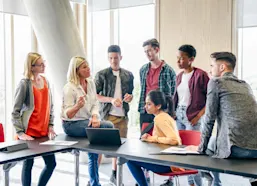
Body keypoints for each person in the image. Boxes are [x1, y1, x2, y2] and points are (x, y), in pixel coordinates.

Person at [187, 52, 257, 186]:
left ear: (222, 67)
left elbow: (209, 119)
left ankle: (210, 180)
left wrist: (199, 149)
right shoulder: (244, 84)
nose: (210, 70)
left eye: (212, 65)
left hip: (236, 149)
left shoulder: (216, 82)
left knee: (206, 145)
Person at [61, 56, 113, 186]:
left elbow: (95, 103)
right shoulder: (69, 88)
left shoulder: (90, 83)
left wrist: (95, 116)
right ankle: (108, 151)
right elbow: (67, 114)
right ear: (76, 70)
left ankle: (95, 183)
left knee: (94, 151)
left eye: (88, 65)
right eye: (84, 67)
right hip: (71, 124)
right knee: (108, 126)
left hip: (87, 121)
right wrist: (77, 106)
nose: (88, 69)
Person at [12, 52, 56, 186]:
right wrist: (20, 133)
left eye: (44, 62)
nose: (44, 66)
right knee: (28, 164)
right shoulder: (24, 84)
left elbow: (50, 106)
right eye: (40, 64)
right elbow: (15, 111)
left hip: (43, 133)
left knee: (51, 164)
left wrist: (51, 125)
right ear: (32, 67)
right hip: (29, 133)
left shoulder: (46, 81)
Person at [128, 90, 186, 186]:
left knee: (130, 160)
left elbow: (174, 140)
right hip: (171, 161)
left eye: (149, 104)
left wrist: (152, 138)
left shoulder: (160, 118)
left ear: (158, 106)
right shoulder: (165, 116)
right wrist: (151, 138)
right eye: (146, 104)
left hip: (168, 163)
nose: (145, 107)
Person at [138, 39, 176, 185]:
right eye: (145, 51)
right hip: (145, 110)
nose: (147, 54)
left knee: (165, 142)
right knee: (145, 141)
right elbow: (143, 90)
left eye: (149, 50)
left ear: (157, 50)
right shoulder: (143, 69)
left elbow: (171, 94)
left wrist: (169, 113)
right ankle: (145, 176)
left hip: (162, 112)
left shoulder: (169, 71)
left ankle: (170, 178)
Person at [95, 45, 134, 185]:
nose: (113, 61)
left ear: (121, 57)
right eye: (110, 58)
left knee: (119, 148)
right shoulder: (101, 75)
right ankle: (95, 178)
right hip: (106, 116)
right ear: (108, 58)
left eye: (116, 58)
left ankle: (115, 175)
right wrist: (111, 100)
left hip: (122, 116)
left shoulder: (128, 75)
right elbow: (95, 96)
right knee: (99, 148)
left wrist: (129, 97)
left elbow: (130, 94)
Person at [174, 45, 209, 186]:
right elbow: (176, 97)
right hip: (179, 115)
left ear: (191, 59)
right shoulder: (179, 76)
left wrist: (199, 116)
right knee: (183, 152)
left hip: (193, 116)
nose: (178, 61)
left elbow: (210, 99)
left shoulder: (201, 75)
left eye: (182, 58)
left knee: (193, 154)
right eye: (177, 58)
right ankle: (192, 184)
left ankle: (199, 183)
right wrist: (174, 115)